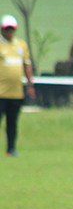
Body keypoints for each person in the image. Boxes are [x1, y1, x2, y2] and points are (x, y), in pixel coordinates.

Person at [0, 15, 35, 157]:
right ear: (2, 30)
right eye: (6, 29)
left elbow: (27, 66)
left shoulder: (21, 45)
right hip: (0, 93)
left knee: (12, 124)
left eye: (11, 29)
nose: (9, 32)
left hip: (16, 93)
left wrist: (30, 84)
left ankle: (11, 149)